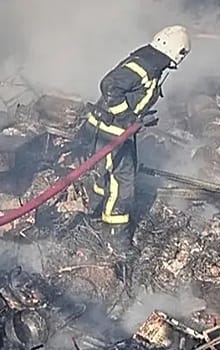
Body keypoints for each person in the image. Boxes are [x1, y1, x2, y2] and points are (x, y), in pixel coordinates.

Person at [78, 25, 191, 256]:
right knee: (123, 184)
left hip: (117, 131)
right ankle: (115, 239)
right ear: (177, 52)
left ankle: (96, 211)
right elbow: (109, 85)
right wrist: (127, 115)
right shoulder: (145, 65)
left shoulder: (152, 63)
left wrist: (136, 118)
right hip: (110, 131)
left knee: (108, 178)